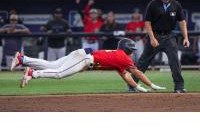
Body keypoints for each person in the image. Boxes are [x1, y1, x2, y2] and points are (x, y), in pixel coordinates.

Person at [10, 38, 166, 92]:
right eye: (131, 49)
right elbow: (137, 73)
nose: (132, 52)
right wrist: (151, 85)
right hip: (85, 58)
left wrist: (138, 88)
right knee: (59, 73)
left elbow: (126, 76)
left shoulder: (119, 57)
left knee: (52, 64)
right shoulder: (123, 57)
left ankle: (23, 59)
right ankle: (32, 73)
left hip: (83, 54)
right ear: (126, 48)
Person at [129, 0, 190, 93]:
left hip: (169, 36)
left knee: (175, 62)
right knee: (143, 62)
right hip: (155, 35)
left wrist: (186, 37)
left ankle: (179, 87)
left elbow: (182, 22)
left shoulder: (176, 5)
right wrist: (152, 38)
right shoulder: (153, 4)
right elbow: (147, 22)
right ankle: (132, 85)